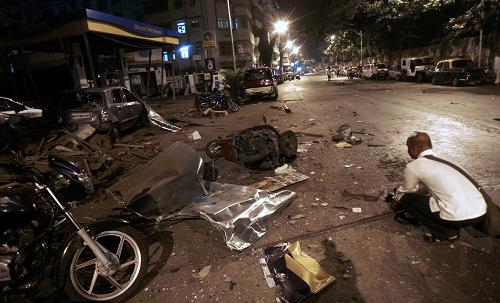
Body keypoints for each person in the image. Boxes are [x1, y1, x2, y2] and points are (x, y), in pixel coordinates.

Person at [391, 132, 487, 242]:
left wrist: (396, 200)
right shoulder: (446, 157)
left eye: (408, 148)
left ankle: (445, 233)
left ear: (414, 148)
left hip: (458, 218)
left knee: (407, 199)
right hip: (480, 211)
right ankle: (449, 226)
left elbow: (407, 190)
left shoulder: (414, 166)